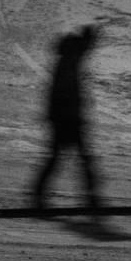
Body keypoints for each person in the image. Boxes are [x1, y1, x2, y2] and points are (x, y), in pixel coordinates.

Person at [31, 25, 101, 210]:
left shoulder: (72, 57)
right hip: (66, 118)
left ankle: (38, 195)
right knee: (77, 157)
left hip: (65, 117)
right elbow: (62, 91)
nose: (92, 48)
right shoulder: (71, 60)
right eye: (91, 44)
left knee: (62, 157)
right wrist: (69, 113)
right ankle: (91, 197)